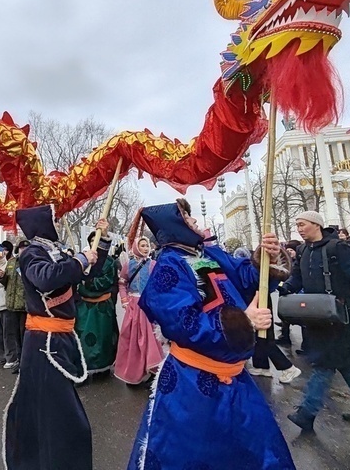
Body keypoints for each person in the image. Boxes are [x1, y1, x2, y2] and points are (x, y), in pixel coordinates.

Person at [126, 199, 295, 470]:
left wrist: (266, 258)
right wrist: (245, 321)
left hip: (236, 376)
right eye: (186, 217)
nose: (193, 221)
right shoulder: (168, 268)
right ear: (173, 226)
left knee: (256, 450)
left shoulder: (209, 254)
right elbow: (184, 323)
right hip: (191, 383)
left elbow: (246, 277)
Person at [4, 205, 109, 470]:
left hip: (59, 338)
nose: (59, 223)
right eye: (54, 219)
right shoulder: (32, 253)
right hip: (44, 342)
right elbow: (46, 279)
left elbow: (87, 274)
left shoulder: (56, 251)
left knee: (52, 412)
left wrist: (102, 240)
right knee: (59, 414)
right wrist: (80, 260)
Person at [281, 211, 350, 432]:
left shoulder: (338, 248)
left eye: (303, 224)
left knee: (324, 364)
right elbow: (297, 276)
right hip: (316, 316)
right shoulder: (303, 250)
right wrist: (286, 287)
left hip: (339, 316)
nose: (299, 229)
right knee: (346, 363)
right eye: (297, 225)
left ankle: (307, 412)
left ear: (316, 225)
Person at [114, 235, 164, 385]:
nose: (145, 248)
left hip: (148, 306)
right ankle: (135, 371)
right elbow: (122, 283)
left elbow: (159, 285)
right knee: (132, 338)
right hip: (133, 306)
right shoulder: (127, 265)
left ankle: (151, 370)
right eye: (142, 245)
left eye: (147, 246)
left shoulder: (153, 264)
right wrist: (124, 300)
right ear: (136, 247)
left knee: (150, 338)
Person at [75, 227, 118, 377]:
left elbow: (108, 280)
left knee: (103, 338)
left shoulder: (109, 262)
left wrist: (89, 283)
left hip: (102, 307)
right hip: (85, 307)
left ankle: (103, 368)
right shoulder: (82, 260)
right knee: (83, 338)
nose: (95, 244)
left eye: (97, 241)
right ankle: (84, 367)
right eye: (92, 241)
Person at [0, 242, 20, 369]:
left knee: (8, 333)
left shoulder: (9, 264)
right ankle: (0, 355)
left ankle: (11, 357)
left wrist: (3, 276)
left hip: (5, 303)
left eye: (1, 251)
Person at [4, 239, 28, 375]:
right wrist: (2, 278)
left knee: (25, 336)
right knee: (14, 336)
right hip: (12, 305)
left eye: (25, 248)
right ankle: (18, 360)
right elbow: (6, 282)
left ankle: (25, 361)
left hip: (24, 306)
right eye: (21, 248)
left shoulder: (31, 262)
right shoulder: (12, 262)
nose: (23, 250)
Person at [275, 240, 301, 347]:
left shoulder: (299, 262)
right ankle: (284, 334)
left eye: (292, 250)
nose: (290, 252)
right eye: (288, 250)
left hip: (297, 293)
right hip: (287, 289)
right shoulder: (289, 262)